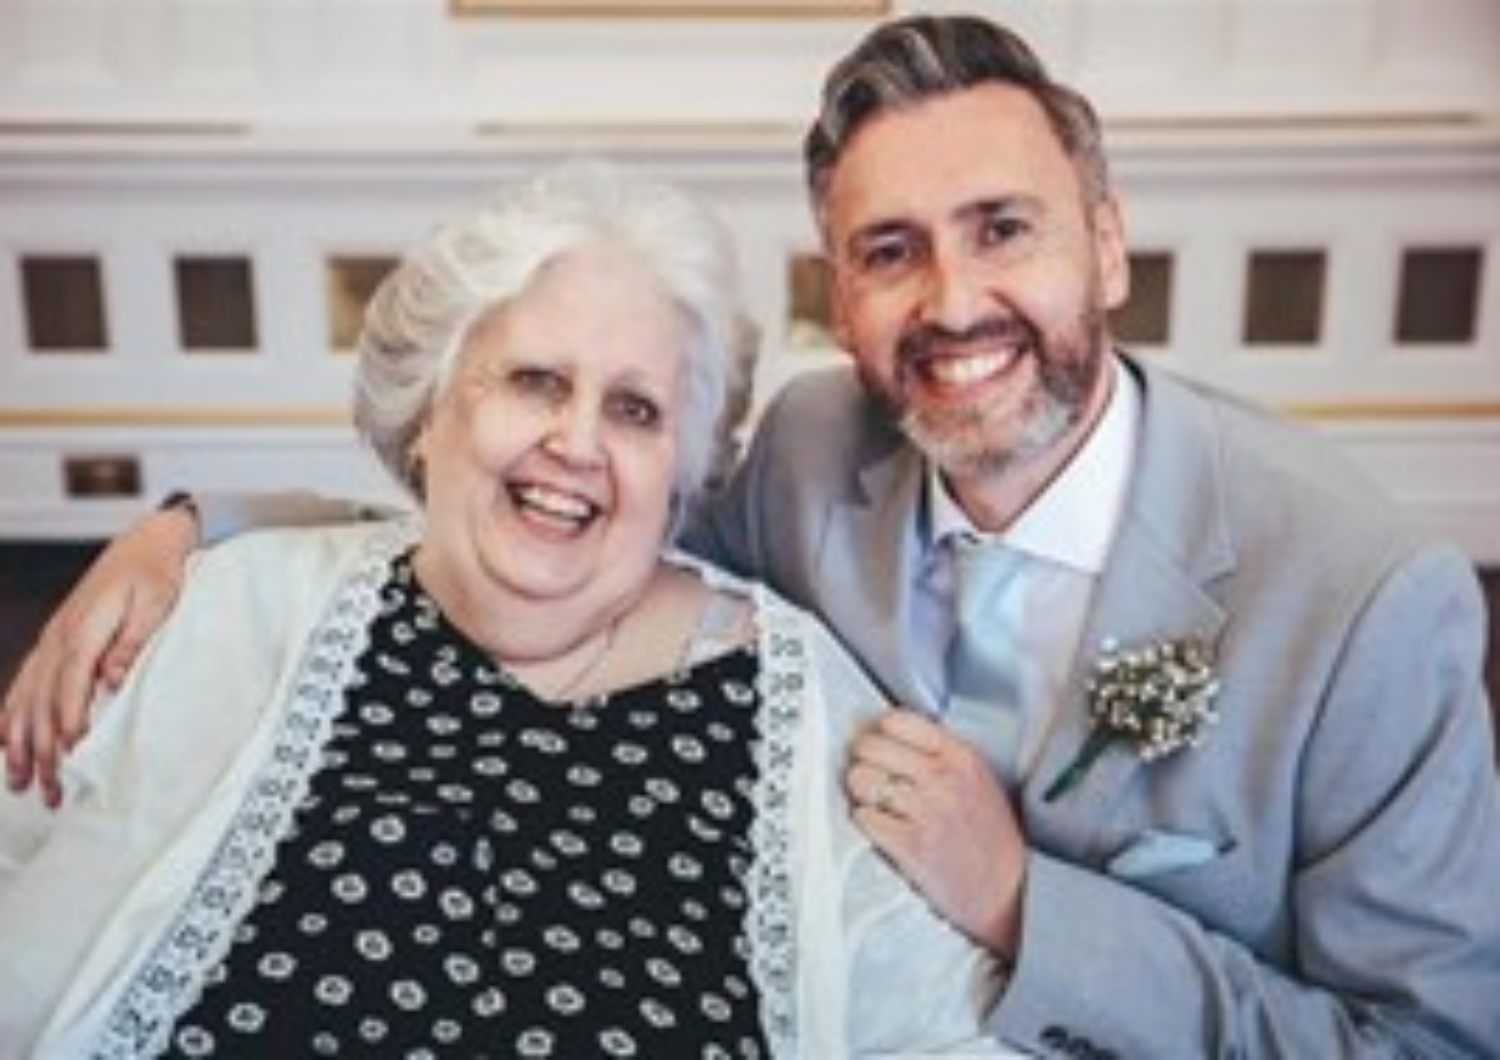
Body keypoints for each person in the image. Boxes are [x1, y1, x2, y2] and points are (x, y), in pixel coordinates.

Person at [4, 12, 1500, 1058]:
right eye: (889, 253)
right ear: (836, 297)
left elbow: (1427, 1045)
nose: (953, 305)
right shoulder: (806, 448)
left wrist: (1028, 906)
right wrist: (198, 531)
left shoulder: (1367, 603)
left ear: (1106, 240)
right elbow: (554, 512)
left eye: (1004, 228)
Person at [0, 160, 1016, 1058]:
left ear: (683, 472)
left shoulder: (794, 702)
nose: (576, 443)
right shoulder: (235, 606)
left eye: (635, 409)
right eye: (535, 381)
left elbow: (933, 1020)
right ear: (430, 413)